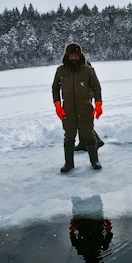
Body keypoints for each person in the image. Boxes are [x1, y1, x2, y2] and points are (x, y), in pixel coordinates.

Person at [51, 42, 103, 172]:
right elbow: (55, 88)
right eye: (71, 55)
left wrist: (98, 104)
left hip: (85, 109)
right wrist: (57, 105)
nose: (74, 58)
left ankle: (95, 161)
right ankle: (69, 164)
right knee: (69, 137)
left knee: (89, 135)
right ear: (67, 56)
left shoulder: (88, 70)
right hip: (67, 109)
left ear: (80, 56)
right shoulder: (60, 70)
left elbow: (96, 87)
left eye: (76, 55)